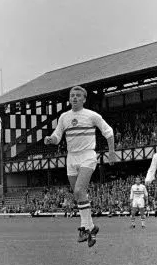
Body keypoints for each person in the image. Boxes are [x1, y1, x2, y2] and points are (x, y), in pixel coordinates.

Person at [44, 85, 117, 247]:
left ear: (84, 99)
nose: (74, 98)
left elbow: (109, 131)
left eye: (78, 95)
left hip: (87, 156)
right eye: (72, 95)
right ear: (69, 99)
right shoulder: (64, 117)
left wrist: (111, 152)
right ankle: (91, 227)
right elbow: (57, 136)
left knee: (79, 190)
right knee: (78, 195)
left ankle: (84, 228)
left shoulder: (92, 116)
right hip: (71, 158)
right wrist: (51, 139)